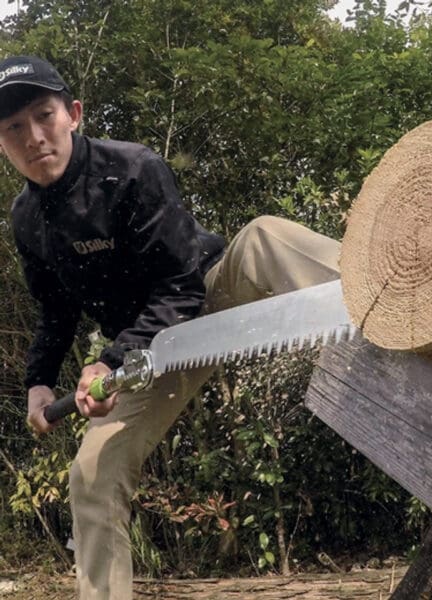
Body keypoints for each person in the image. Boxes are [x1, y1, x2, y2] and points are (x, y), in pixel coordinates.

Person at [0, 55, 341, 599]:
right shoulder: (26, 219)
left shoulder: (133, 167)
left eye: (44, 116)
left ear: (74, 114)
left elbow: (183, 283)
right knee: (91, 473)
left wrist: (109, 361)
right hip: (150, 353)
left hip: (211, 298)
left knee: (265, 238)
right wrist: (38, 383)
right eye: (15, 128)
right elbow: (54, 312)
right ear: (1, 141)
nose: (34, 137)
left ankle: (404, 309)